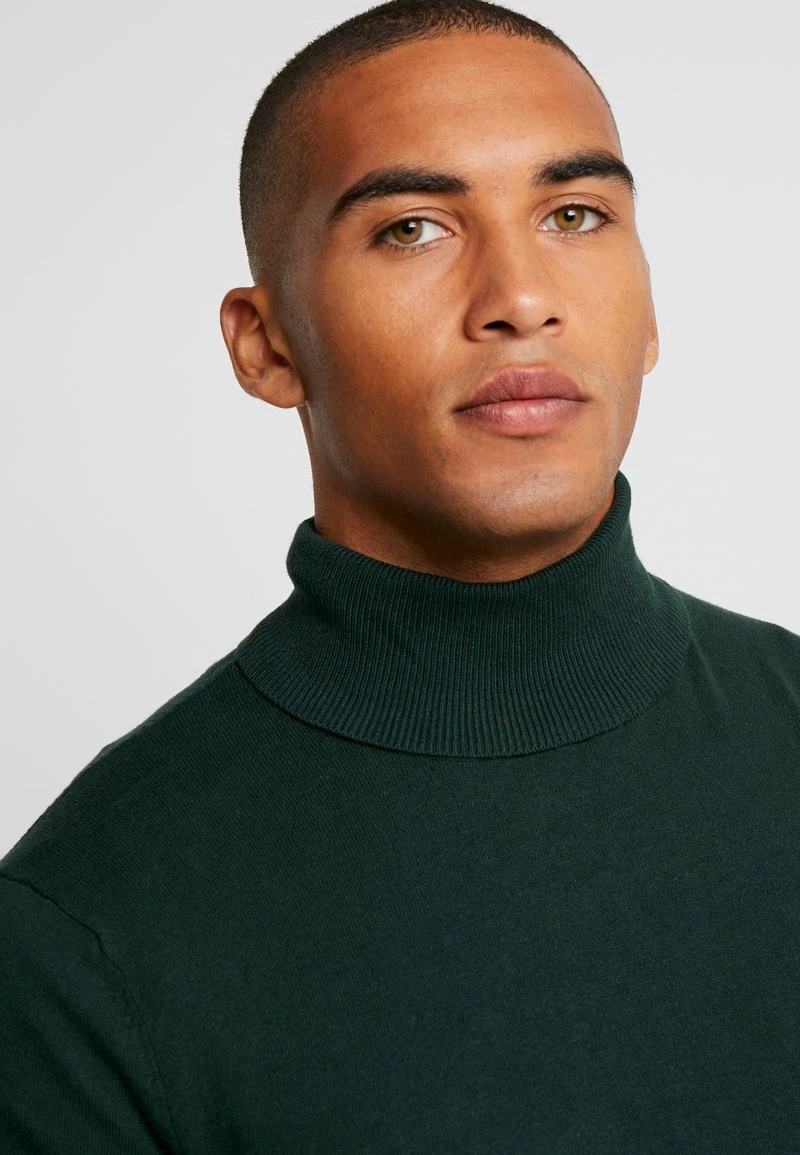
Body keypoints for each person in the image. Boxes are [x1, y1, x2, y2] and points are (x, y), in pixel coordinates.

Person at [2, 0, 799, 1150]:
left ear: (649, 311)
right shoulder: (79, 934)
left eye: (573, 214)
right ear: (265, 344)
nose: (519, 297)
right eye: (412, 229)